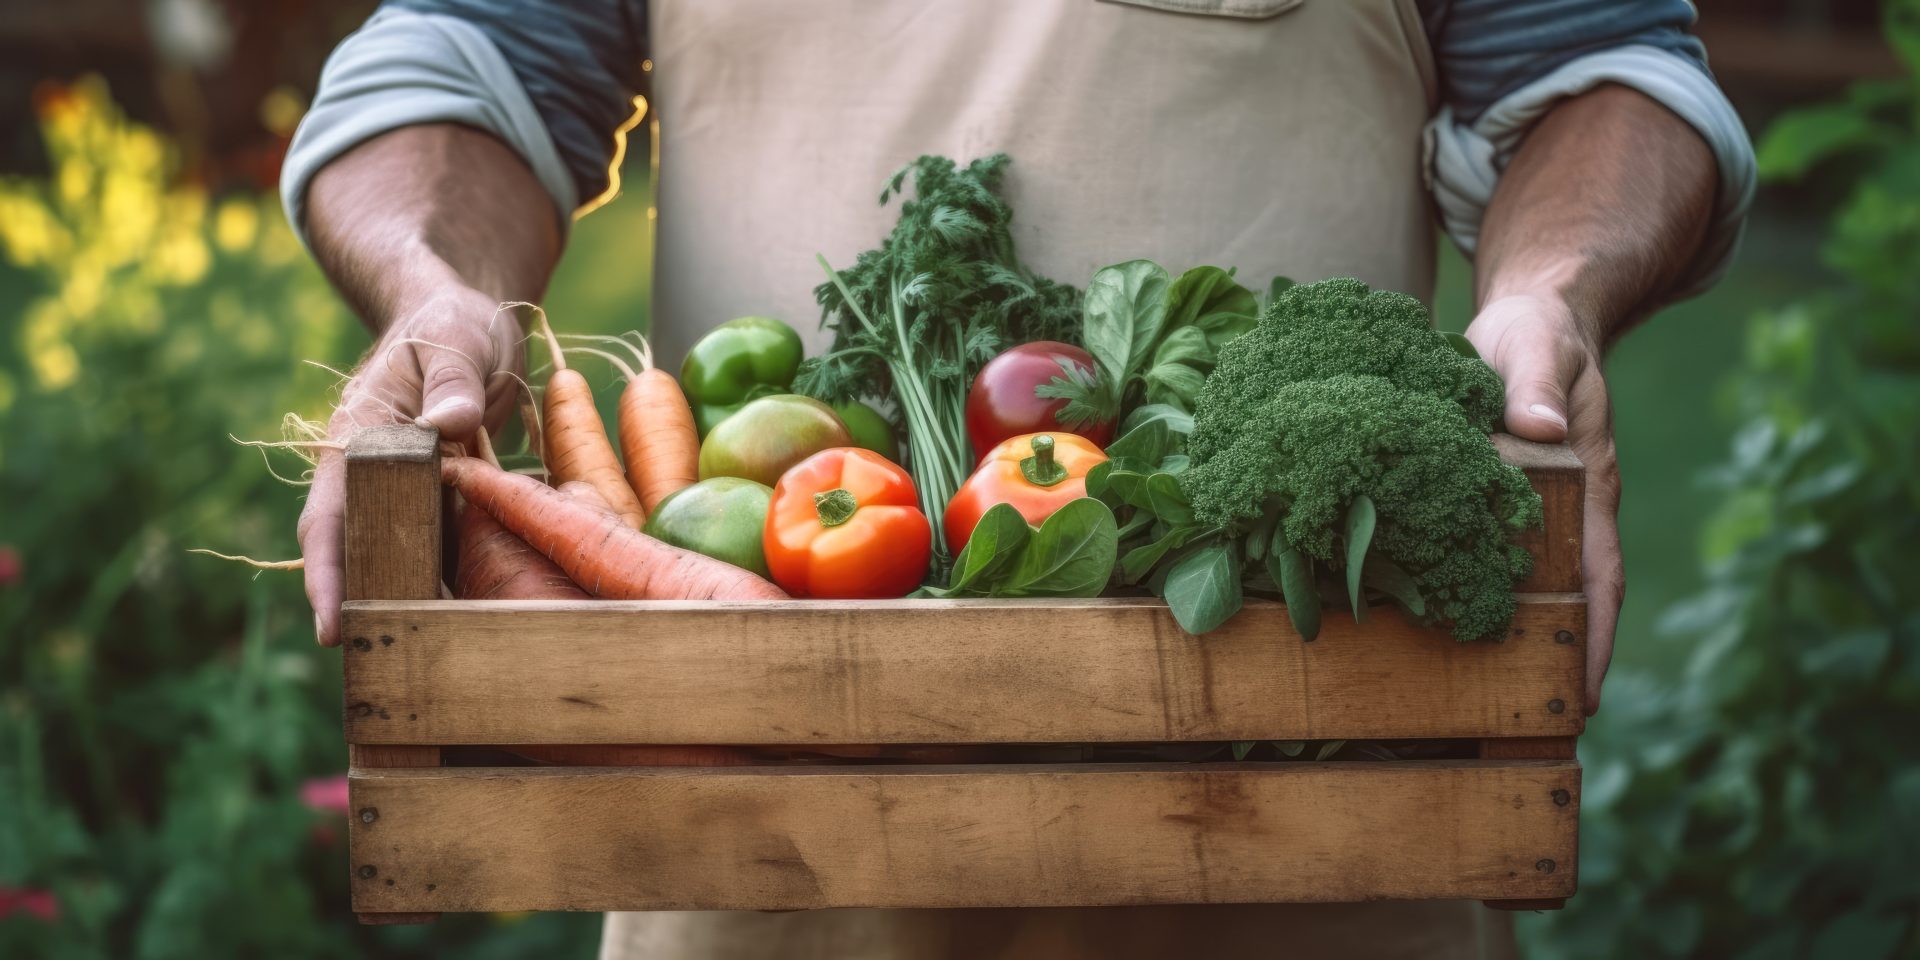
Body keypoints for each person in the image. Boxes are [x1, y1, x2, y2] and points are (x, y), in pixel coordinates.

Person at [284, 1, 1753, 956]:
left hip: (1314, 852)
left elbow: (1602, 74)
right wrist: (431, 279)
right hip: (760, 874)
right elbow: (462, 66)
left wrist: (1552, 289)